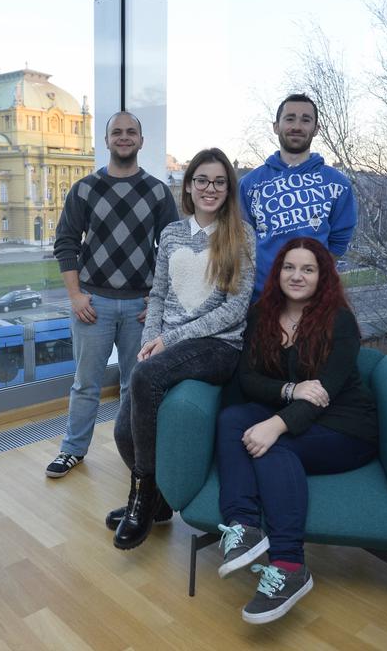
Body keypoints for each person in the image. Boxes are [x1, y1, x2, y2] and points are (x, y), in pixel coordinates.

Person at [215, 237, 378, 624]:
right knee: (232, 418)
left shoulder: (339, 321)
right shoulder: (262, 314)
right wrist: (290, 390)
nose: (297, 276)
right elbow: (249, 379)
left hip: (346, 427)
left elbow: (324, 393)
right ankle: (243, 526)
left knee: (273, 448)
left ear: (323, 276)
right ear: (278, 272)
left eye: (308, 269)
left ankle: (289, 566)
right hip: (292, 411)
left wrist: (274, 426)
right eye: (289, 267)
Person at [109, 147, 256, 550]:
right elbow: (157, 295)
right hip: (167, 343)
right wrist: (148, 342)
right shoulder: (172, 233)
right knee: (122, 432)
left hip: (217, 345)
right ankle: (157, 503)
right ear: (188, 186)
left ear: (228, 189)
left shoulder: (241, 236)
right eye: (202, 180)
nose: (210, 188)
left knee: (145, 376)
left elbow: (235, 309)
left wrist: (170, 340)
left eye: (219, 181)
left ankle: (141, 498)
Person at [48, 111, 179, 478]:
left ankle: (135, 455)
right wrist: (75, 296)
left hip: (141, 308)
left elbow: (173, 250)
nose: (124, 137)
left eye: (131, 132)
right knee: (85, 384)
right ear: (106, 141)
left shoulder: (158, 192)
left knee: (134, 387)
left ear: (141, 141)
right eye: (116, 132)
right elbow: (66, 243)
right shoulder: (84, 189)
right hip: (93, 304)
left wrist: (158, 300)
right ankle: (72, 450)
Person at [238, 94, 358, 299]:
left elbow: (338, 243)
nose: (297, 126)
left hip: (315, 301)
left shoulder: (338, 184)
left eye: (305, 120)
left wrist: (310, 280)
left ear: (316, 129)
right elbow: (243, 243)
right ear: (276, 126)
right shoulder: (249, 184)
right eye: (290, 118)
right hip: (262, 300)